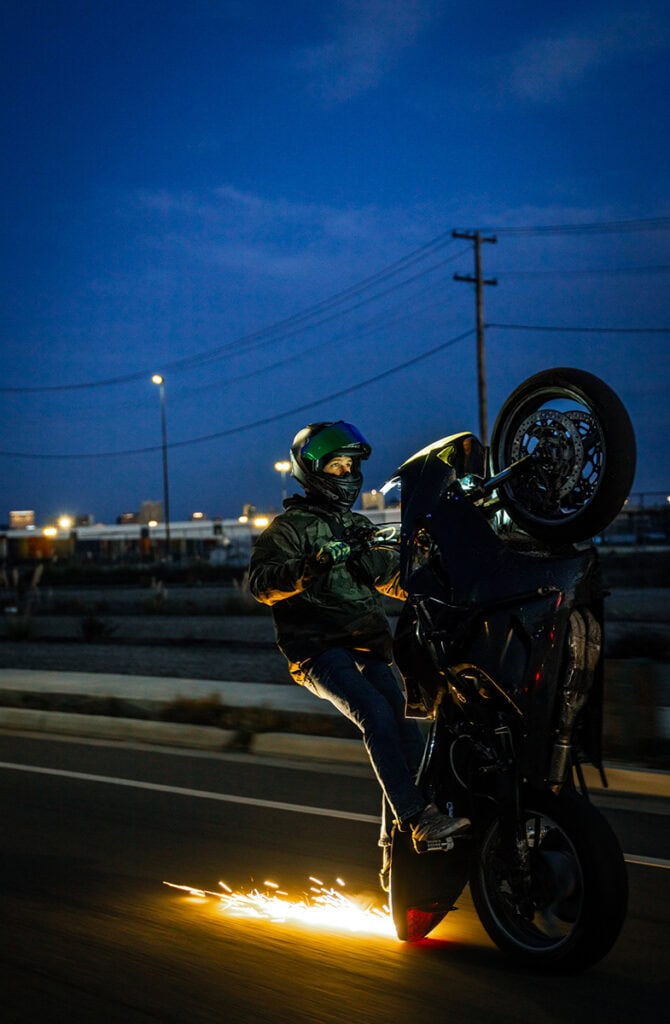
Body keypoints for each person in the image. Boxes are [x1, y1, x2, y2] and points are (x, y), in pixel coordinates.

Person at [248, 420, 469, 888]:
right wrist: (316, 563)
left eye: (351, 465)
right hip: (316, 651)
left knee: (404, 724)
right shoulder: (288, 529)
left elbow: (390, 579)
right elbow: (262, 586)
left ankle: (399, 852)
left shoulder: (357, 526)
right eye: (337, 464)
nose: (347, 473)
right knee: (372, 711)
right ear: (312, 469)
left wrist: (438, 578)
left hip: (368, 645)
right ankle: (417, 818)